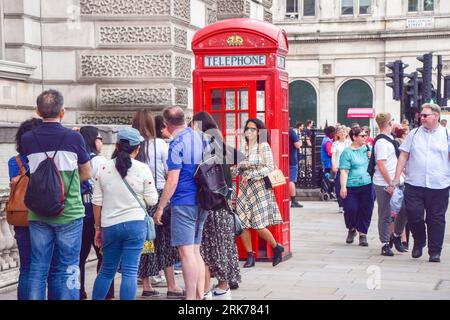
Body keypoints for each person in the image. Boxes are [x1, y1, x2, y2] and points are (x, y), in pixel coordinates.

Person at [21, 90, 92, 300]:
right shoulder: (73, 137)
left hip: (38, 213)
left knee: (37, 267)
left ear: (37, 111)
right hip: (69, 211)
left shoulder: (28, 138)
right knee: (68, 265)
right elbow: (87, 172)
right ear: (63, 112)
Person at [92, 127, 158, 299]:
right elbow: (152, 200)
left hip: (110, 225)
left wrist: (97, 228)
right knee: (130, 271)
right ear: (137, 149)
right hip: (136, 224)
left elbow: (97, 202)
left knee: (107, 270)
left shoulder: (103, 168)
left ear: (117, 146)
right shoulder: (143, 168)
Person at [153, 106, 206, 300]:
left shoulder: (177, 144)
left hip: (184, 201)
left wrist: (160, 207)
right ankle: (200, 296)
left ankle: (191, 298)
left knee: (186, 254)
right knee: (195, 251)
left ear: (166, 124)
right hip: (203, 200)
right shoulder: (202, 138)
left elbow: (172, 180)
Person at [132, 110, 183, 299]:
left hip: (139, 199)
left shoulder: (133, 145)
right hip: (159, 195)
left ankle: (146, 285)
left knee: (146, 242)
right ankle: (172, 286)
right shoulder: (160, 144)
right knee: (166, 242)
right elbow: (170, 172)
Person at [190, 111, 241, 300]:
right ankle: (222, 290)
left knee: (203, 252)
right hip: (224, 208)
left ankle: (203, 293)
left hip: (209, 208)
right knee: (223, 250)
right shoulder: (223, 148)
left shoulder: (203, 152)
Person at [393, 103, 450, 263]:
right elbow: (403, 156)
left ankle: (435, 251)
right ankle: (419, 241)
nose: (421, 118)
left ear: (436, 116)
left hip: (439, 185)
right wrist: (396, 178)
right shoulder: (414, 134)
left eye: (425, 115)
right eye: (421, 115)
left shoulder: (446, 134)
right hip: (414, 183)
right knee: (414, 214)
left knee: (436, 218)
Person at [232, 118, 284, 268]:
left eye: (253, 129)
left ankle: (276, 247)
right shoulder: (243, 147)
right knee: (242, 224)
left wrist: (252, 175)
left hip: (259, 189)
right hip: (244, 190)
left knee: (258, 225)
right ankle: (250, 255)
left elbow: (269, 168)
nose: (249, 131)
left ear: (259, 131)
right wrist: (233, 170)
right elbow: (237, 169)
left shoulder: (264, 146)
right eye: (247, 128)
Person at [77, 126, 115, 300]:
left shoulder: (76, 159)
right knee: (105, 255)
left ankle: (79, 291)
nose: (101, 141)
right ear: (93, 140)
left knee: (80, 257)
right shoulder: (100, 161)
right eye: (99, 138)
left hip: (80, 212)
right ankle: (106, 292)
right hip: (97, 214)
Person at [8, 118, 43, 300]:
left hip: (22, 218)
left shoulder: (14, 162)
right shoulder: (46, 158)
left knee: (26, 268)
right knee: (44, 267)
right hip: (44, 218)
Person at [371, 113, 408, 257]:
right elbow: (381, 165)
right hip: (385, 183)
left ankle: (396, 235)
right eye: (392, 121)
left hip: (398, 181)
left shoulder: (390, 139)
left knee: (404, 209)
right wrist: (391, 183)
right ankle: (385, 243)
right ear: (389, 123)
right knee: (385, 214)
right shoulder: (381, 142)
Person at [339, 126, 374, 247]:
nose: (366, 138)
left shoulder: (368, 149)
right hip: (351, 186)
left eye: (366, 135)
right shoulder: (347, 152)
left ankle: (363, 234)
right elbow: (344, 171)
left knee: (366, 210)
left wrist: (371, 157)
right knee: (351, 209)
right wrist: (343, 187)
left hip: (367, 184)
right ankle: (352, 228)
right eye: (362, 136)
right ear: (354, 137)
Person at [331, 126, 351, 213]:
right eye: (340, 132)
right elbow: (333, 155)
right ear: (338, 134)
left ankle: (347, 204)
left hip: (348, 168)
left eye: (344, 132)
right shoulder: (335, 144)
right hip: (339, 167)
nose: (342, 133)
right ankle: (341, 205)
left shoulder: (350, 143)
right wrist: (333, 165)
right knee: (339, 186)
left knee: (348, 187)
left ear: (347, 133)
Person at [289, 127, 303, 208]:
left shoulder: (264, 130)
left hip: (277, 158)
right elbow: (297, 145)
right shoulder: (290, 131)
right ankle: (293, 201)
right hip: (291, 159)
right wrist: (300, 142)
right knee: (291, 180)